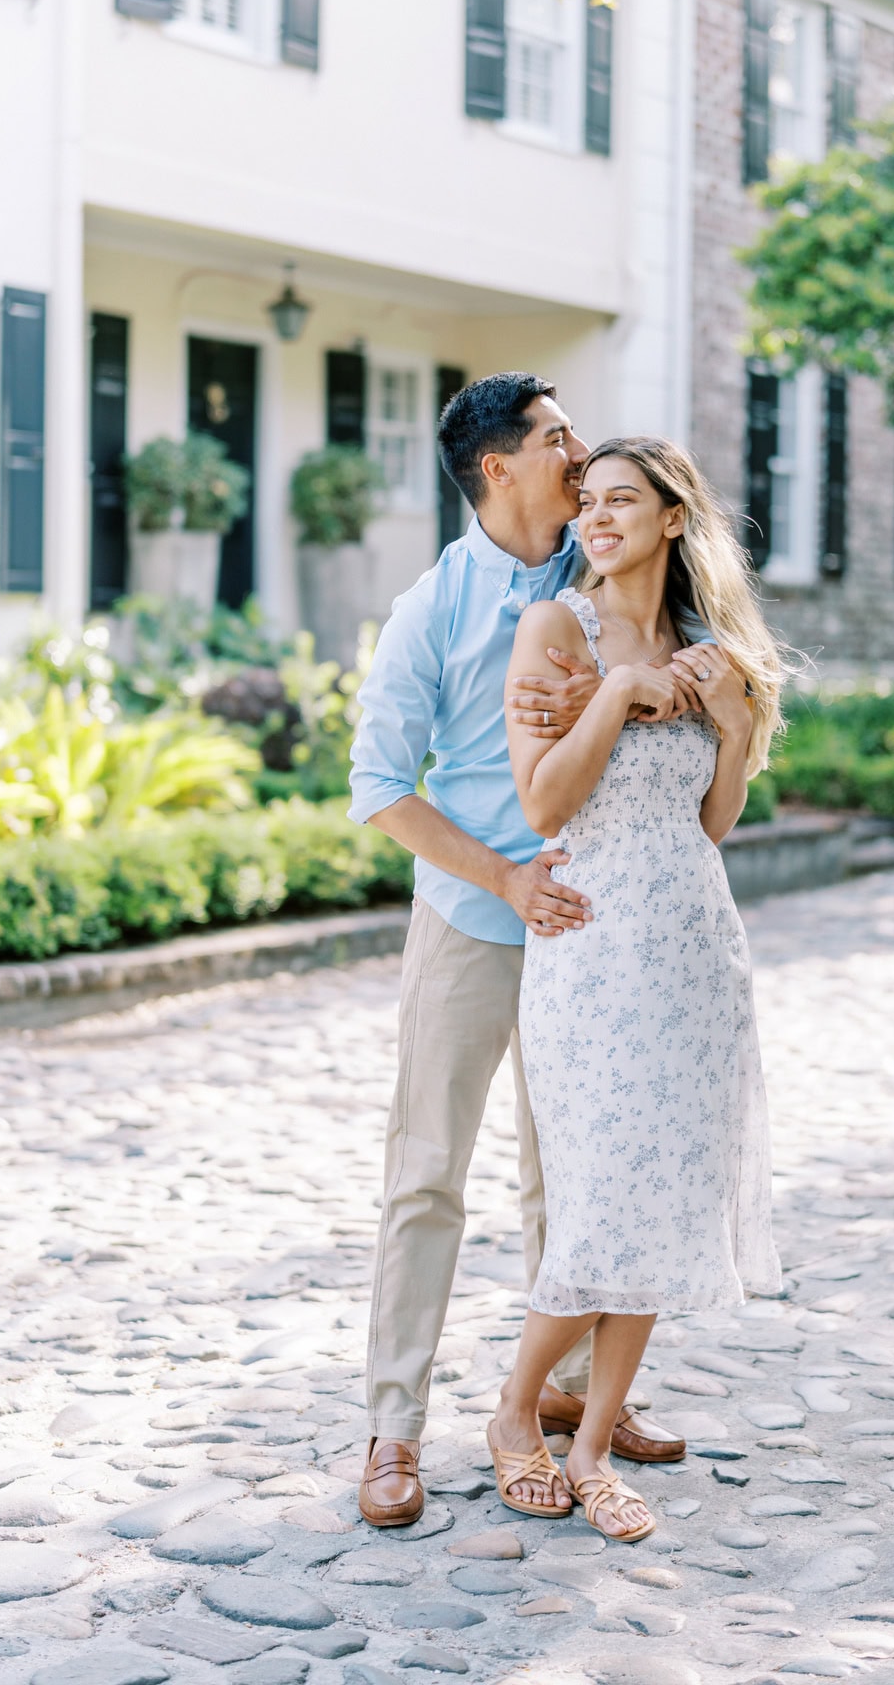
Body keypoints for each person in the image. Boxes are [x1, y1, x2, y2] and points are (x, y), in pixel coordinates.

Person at [348, 377, 700, 1528]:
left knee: (582, 1173)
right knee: (427, 1175)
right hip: (471, 917)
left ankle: (566, 1394)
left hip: (596, 926)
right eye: (558, 439)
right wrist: (499, 873)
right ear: (498, 468)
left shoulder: (592, 575)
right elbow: (376, 789)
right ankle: (391, 1429)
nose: (579, 451)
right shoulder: (432, 607)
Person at [484, 436, 787, 1540]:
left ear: (671, 518)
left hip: (695, 952)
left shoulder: (709, 649)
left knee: (661, 1199)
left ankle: (598, 1444)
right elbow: (543, 806)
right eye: (589, 501)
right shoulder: (556, 629)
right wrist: (616, 689)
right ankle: (515, 1412)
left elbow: (710, 821)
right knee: (602, 1191)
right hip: (592, 947)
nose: (597, 517)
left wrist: (735, 717)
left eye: (623, 501)